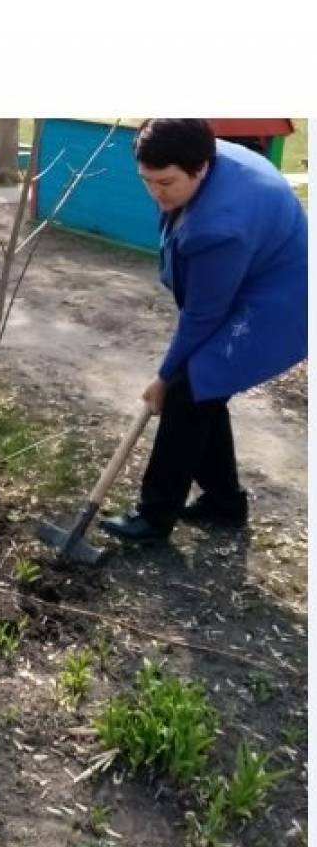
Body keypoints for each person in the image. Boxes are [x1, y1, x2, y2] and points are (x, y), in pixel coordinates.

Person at [100, 118, 307, 543]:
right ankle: (224, 503)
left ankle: (154, 518)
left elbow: (203, 315)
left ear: (200, 168)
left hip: (281, 305)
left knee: (185, 392)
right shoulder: (207, 160)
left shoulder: (219, 228)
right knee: (206, 390)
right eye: (147, 180)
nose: (156, 193)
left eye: (166, 182)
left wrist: (163, 377)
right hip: (260, 273)